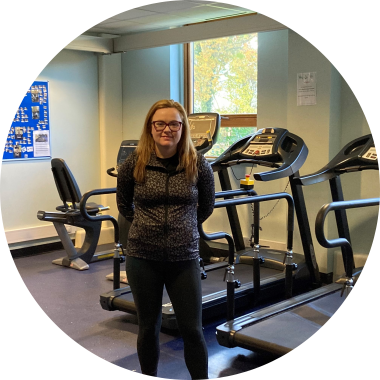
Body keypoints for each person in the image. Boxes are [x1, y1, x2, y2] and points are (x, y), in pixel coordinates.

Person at [117, 99, 215, 379]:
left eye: (174, 123)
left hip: (184, 258)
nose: (167, 129)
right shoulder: (134, 164)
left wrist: (182, 228)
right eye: (160, 123)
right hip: (142, 258)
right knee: (148, 327)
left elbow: (206, 207)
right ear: (150, 127)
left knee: (193, 330)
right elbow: (124, 206)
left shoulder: (198, 164)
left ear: (183, 127)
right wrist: (148, 228)